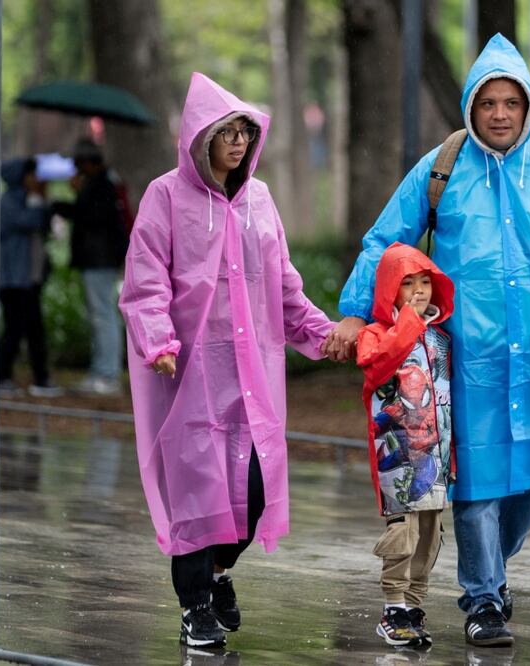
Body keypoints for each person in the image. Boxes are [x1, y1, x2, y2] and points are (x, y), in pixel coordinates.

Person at [328, 34, 530, 647]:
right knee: (478, 477)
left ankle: (493, 566)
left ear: (528, 104)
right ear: (471, 106)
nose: (500, 114)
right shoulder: (441, 168)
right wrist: (355, 311)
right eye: (489, 103)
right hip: (467, 356)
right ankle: (483, 598)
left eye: (511, 102)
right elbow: (385, 240)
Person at [119, 72, 336, 649]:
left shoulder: (259, 199)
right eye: (226, 132)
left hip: (252, 376)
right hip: (189, 375)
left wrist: (326, 334)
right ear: (200, 137)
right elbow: (145, 281)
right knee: (197, 498)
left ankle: (218, 572)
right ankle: (195, 608)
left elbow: (284, 286)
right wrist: (158, 343)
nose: (238, 142)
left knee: (254, 491)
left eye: (245, 132)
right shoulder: (165, 196)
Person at [357, 242, 455, 649]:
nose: (418, 291)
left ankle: (413, 606)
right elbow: (378, 368)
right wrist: (409, 322)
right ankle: (393, 607)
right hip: (398, 458)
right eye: (407, 283)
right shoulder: (373, 335)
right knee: (404, 533)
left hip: (437, 455)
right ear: (389, 290)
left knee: (431, 535)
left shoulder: (441, 339)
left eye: (424, 283)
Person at [54, 138, 128, 396]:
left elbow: (92, 218)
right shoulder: (103, 183)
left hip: (100, 259)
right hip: (98, 259)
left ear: (87, 163)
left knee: (103, 315)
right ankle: (100, 371)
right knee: (100, 315)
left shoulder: (102, 185)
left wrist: (77, 196)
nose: (77, 170)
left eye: (79, 164)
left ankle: (107, 375)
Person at [0, 157, 64, 398]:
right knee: (15, 329)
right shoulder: (9, 201)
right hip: (13, 279)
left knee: (35, 329)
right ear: (21, 177)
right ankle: (2, 376)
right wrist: (38, 201)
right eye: (32, 175)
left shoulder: (29, 199)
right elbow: (27, 221)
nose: (36, 180)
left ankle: (41, 378)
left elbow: (45, 225)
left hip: (30, 279)